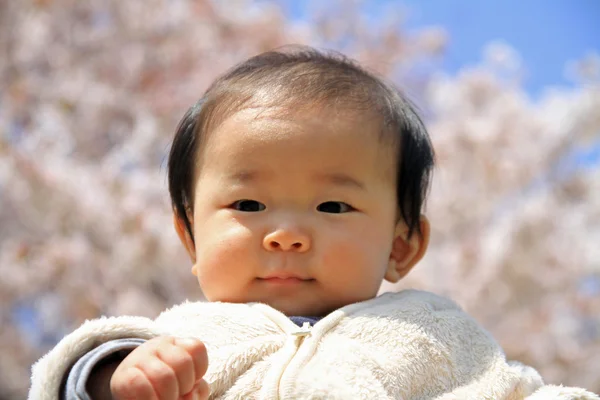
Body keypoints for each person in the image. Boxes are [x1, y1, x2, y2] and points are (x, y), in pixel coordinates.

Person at [29, 46, 598, 400]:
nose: (286, 234)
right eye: (248, 206)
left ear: (403, 245)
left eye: (332, 207)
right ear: (191, 238)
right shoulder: (178, 339)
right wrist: (114, 377)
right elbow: (63, 377)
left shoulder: (435, 335)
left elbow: (523, 391)